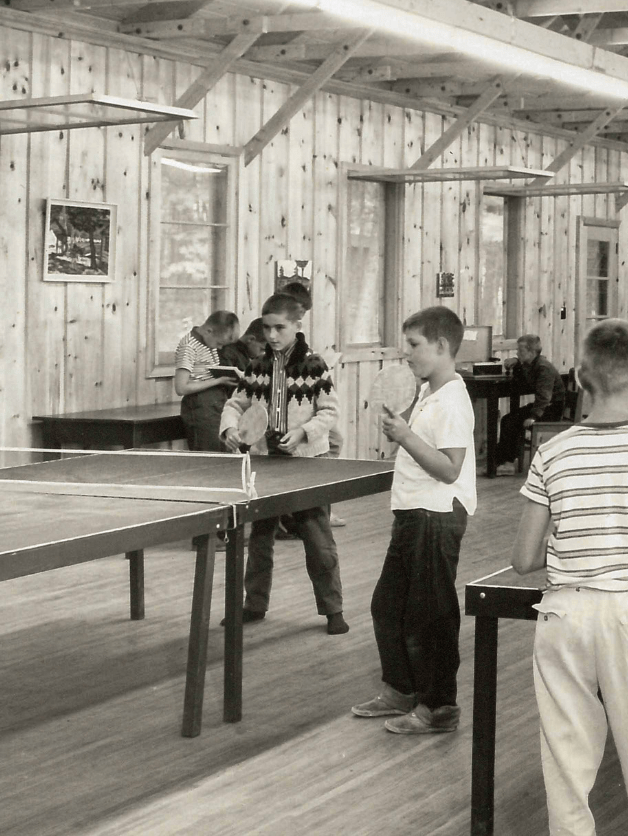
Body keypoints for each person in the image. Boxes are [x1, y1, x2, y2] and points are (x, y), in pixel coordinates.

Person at [512, 318, 628, 836]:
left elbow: (524, 557)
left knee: (566, 763)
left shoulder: (551, 451)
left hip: (563, 616)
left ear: (579, 378)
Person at [354, 306, 475, 735]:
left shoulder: (453, 401)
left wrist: (404, 435)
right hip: (412, 513)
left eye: (414, 345)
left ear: (442, 347)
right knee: (387, 607)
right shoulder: (428, 393)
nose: (407, 354)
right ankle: (401, 689)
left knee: (431, 617)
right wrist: (402, 428)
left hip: (436, 517)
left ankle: (439, 707)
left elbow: (449, 469)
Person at [218, 293, 347, 634]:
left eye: (280, 328)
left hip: (307, 464)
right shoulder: (256, 366)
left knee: (318, 541)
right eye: (267, 328)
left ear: (297, 326)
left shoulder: (316, 365)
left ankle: (333, 610)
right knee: (260, 539)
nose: (272, 335)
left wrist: (304, 432)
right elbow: (236, 404)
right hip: (266, 463)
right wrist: (230, 427)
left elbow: (330, 412)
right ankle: (253, 605)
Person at [493, 334, 563, 473]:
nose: (518, 353)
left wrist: (533, 417)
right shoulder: (532, 363)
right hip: (544, 407)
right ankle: (500, 462)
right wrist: (516, 361)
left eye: (521, 351)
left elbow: (544, 397)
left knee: (511, 422)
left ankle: (507, 464)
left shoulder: (544, 368)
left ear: (531, 352)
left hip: (551, 409)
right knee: (508, 419)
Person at [174, 311, 240, 452]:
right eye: (219, 343)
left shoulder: (209, 343)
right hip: (199, 405)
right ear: (209, 331)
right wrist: (218, 381)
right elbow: (181, 388)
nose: (220, 348)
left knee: (223, 452)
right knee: (208, 452)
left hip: (216, 403)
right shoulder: (189, 346)